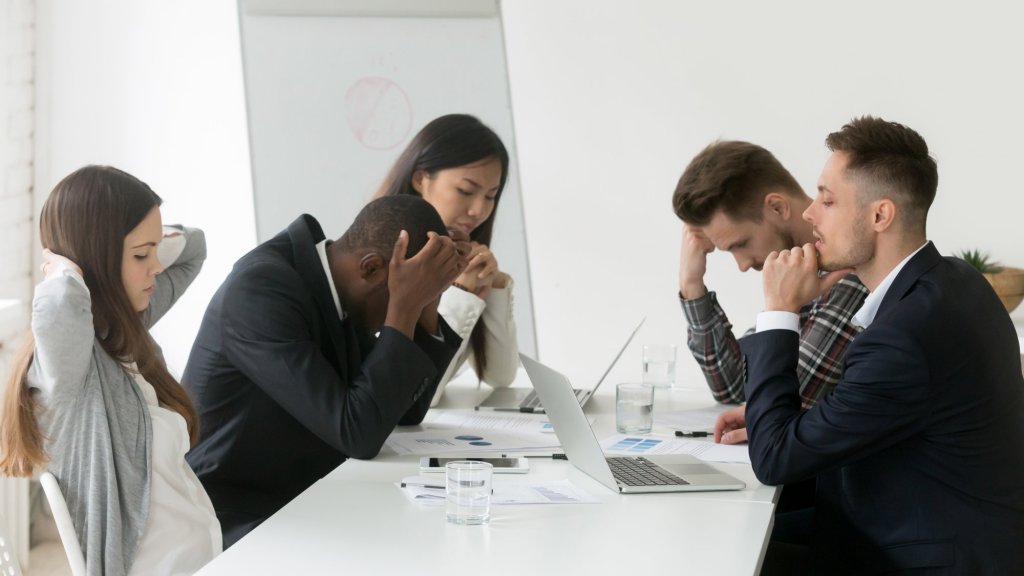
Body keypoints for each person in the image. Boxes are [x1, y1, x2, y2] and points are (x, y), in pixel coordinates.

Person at [743, 116, 1024, 574]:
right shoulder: (953, 282)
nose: (810, 213)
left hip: (920, 557)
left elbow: (775, 459)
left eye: (828, 200)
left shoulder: (905, 336)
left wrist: (778, 311)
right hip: (914, 527)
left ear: (879, 215)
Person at [184, 195, 465, 547]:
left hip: (312, 493)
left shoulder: (338, 287)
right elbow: (357, 433)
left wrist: (425, 302)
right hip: (236, 512)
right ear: (371, 268)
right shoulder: (260, 292)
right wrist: (405, 304)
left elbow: (407, 410)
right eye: (403, 294)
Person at [0, 165, 219, 576]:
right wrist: (65, 262)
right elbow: (59, 307)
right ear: (95, 259)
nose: (156, 266)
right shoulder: (70, 366)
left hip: (206, 559)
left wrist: (146, 243)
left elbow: (194, 249)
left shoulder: (120, 329)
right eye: (141, 254)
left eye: (154, 250)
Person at [672, 140, 868, 444]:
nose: (742, 264)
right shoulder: (805, 270)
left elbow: (775, 406)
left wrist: (780, 307)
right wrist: (692, 286)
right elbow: (735, 388)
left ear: (777, 207)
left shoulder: (851, 273)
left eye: (740, 244)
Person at [375, 113, 519, 406]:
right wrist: (462, 293)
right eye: (465, 191)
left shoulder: (459, 253)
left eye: (491, 196)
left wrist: (496, 288)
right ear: (420, 179)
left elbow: (499, 376)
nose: (478, 210)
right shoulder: (385, 260)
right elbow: (414, 397)